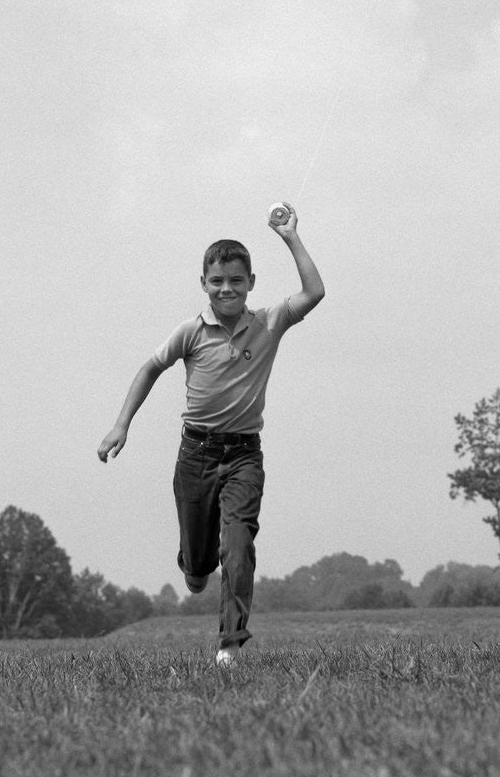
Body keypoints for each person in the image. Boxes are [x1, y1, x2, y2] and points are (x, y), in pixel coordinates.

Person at [96, 204, 324, 666]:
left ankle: (230, 643)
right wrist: (121, 424)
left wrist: (290, 237)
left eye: (236, 280)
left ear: (251, 283)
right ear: (204, 283)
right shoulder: (191, 332)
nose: (227, 289)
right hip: (196, 454)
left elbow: (314, 291)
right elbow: (149, 369)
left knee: (238, 545)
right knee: (200, 565)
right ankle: (194, 565)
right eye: (217, 281)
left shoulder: (268, 322)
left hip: (244, 455)